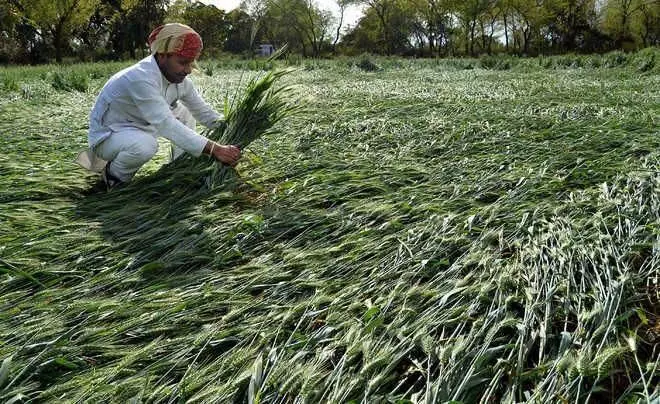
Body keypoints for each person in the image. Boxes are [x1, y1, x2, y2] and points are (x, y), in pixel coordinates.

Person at [76, 23, 241, 188]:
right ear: (162, 55)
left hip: (140, 127)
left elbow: (204, 113)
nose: (189, 70)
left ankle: (180, 167)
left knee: (185, 111)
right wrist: (216, 149)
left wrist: (235, 126)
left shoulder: (181, 82)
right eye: (183, 62)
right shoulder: (140, 78)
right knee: (146, 146)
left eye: (191, 63)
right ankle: (113, 178)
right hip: (109, 136)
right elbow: (165, 124)